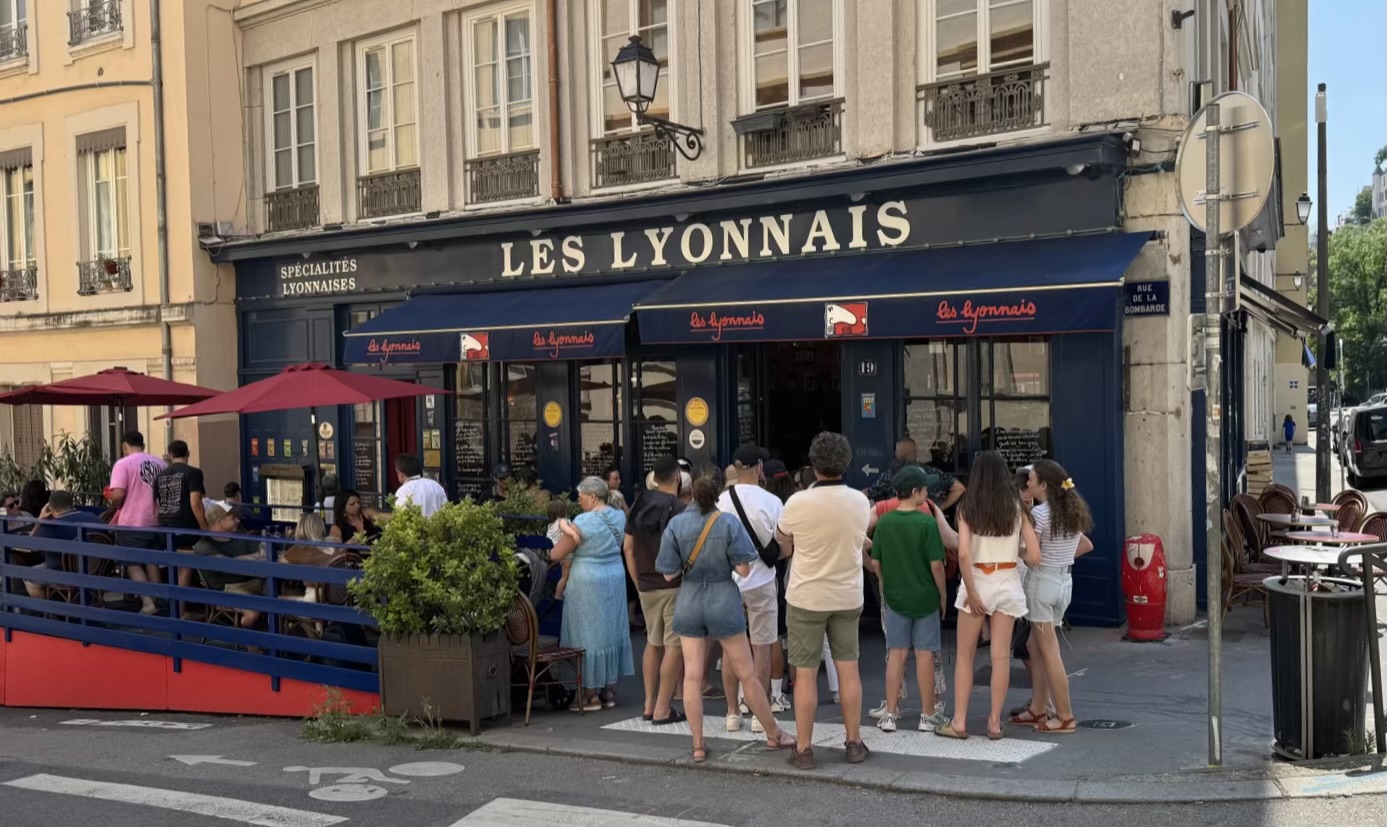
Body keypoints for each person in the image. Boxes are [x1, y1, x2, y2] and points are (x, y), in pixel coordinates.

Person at [656, 466, 796, 763]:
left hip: (689, 601)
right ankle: (773, 733)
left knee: (692, 676)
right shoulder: (728, 523)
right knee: (747, 673)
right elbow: (744, 569)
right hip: (723, 600)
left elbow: (668, 574)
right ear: (717, 493)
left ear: (693, 492)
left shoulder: (676, 524)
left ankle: (698, 745)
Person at [775, 432, 872, 770]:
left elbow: (783, 539)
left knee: (804, 675)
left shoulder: (797, 502)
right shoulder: (860, 501)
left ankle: (804, 748)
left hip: (806, 595)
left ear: (813, 465)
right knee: (848, 668)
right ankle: (854, 741)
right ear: (846, 463)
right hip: (847, 594)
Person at [936, 450, 1041, 741]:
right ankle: (994, 723)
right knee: (1001, 656)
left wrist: (971, 592)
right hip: (1007, 579)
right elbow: (1034, 556)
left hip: (978, 579)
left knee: (965, 656)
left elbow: (964, 554)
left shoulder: (968, 507)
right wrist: (1014, 551)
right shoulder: (1017, 508)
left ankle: (959, 722)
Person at [1010, 459, 1093, 735]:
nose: (1028, 483)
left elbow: (1031, 554)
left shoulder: (1040, 514)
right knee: (1035, 645)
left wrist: (1016, 551)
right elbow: (1082, 544)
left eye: (1032, 479)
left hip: (1042, 582)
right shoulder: (1072, 510)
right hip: (1063, 582)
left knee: (1049, 651)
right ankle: (1038, 706)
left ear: (1043, 485)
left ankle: (1065, 715)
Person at [865, 465, 950, 733]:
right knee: (925, 654)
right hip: (925, 597)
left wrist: (885, 582)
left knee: (896, 654)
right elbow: (936, 565)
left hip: (894, 597)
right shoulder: (927, 523)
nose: (928, 493)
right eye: (925, 489)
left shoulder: (885, 522)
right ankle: (927, 714)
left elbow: (875, 562)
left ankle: (890, 713)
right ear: (914, 492)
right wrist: (943, 596)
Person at [549, 476, 635, 711]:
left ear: (593, 497)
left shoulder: (582, 521)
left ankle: (590, 695)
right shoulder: (620, 516)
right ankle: (609, 690)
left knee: (586, 635)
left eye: (581, 497)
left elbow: (557, 554)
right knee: (610, 631)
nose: (579, 501)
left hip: (587, 582)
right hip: (614, 576)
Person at [717, 444, 785, 733]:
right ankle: (760, 713)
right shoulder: (772, 501)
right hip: (762, 581)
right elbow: (785, 544)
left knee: (730, 650)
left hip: (728, 582)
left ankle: (732, 712)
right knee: (762, 648)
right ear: (759, 468)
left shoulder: (720, 501)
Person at [623, 455, 688, 725]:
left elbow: (628, 547)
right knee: (674, 646)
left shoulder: (638, 503)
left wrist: (637, 581)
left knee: (653, 642)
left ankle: (648, 704)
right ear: (678, 478)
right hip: (673, 584)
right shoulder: (680, 508)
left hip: (646, 585)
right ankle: (663, 708)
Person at [108, 431, 168, 614]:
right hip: (156, 521)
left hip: (132, 522)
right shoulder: (161, 463)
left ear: (124, 446)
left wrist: (115, 503)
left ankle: (148, 603)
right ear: (143, 445)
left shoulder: (123, 464)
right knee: (152, 562)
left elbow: (117, 494)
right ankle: (158, 599)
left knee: (132, 563)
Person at [193, 505, 266, 627]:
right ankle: (246, 637)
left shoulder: (239, 534)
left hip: (254, 581)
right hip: (228, 589)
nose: (238, 520)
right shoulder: (203, 546)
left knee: (284, 590)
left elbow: (262, 552)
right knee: (253, 613)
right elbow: (226, 564)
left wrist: (252, 557)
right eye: (233, 518)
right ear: (219, 521)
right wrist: (253, 557)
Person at [155, 440, 210, 594]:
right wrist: (205, 529)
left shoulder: (160, 475)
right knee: (185, 569)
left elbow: (159, 503)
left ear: (170, 455)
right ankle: (180, 606)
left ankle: (171, 602)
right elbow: (195, 503)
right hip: (185, 529)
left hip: (164, 528)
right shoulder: (193, 473)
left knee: (173, 567)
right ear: (188, 453)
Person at [22, 491, 100, 600]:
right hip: (96, 571)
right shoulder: (94, 518)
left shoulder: (51, 527)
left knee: (29, 576)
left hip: (67, 575)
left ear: (50, 508)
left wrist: (40, 519)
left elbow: (29, 545)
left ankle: (49, 609)